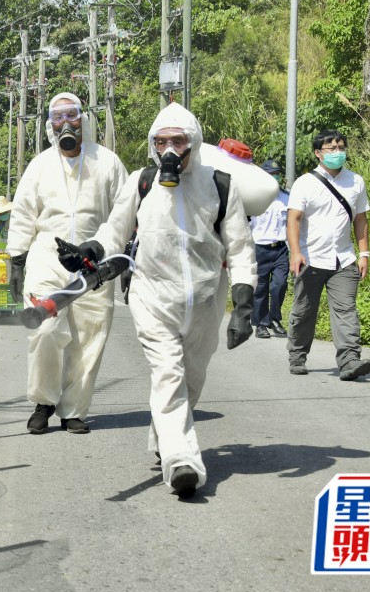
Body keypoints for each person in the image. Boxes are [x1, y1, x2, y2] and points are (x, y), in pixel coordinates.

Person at [78, 102, 257, 497]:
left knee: (191, 380)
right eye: (162, 142)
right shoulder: (142, 181)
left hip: (207, 300)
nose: (170, 150)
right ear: (152, 145)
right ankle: (182, 462)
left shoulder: (221, 184)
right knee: (169, 374)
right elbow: (115, 229)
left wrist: (244, 305)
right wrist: (92, 248)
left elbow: (240, 247)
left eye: (179, 141)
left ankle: (164, 438)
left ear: (194, 144)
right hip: (151, 294)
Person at [6, 92, 128, 435]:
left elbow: (124, 213)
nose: (65, 124)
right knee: (45, 329)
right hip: (47, 256)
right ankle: (43, 402)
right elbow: (23, 212)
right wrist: (17, 259)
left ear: (83, 119)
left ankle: (73, 409)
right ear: (49, 125)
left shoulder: (107, 162)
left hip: (93, 258)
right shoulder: (40, 165)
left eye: (71, 115)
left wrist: (114, 253)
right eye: (57, 117)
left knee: (89, 336)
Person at [286, 129, 370, 381]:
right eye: (331, 148)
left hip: (343, 259)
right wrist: (296, 252)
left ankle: (349, 361)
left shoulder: (356, 181)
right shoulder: (305, 183)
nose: (338, 152)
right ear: (318, 153)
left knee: (347, 310)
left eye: (341, 147)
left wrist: (364, 253)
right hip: (310, 259)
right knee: (304, 310)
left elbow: (360, 220)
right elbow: (294, 219)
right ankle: (297, 355)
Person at [250, 160, 290, 339]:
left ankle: (275, 318)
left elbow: (293, 223)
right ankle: (260, 323)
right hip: (259, 248)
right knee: (260, 288)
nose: (275, 176)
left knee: (280, 285)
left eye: (277, 173)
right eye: (271, 173)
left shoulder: (286, 197)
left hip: (281, 248)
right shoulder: (254, 198)